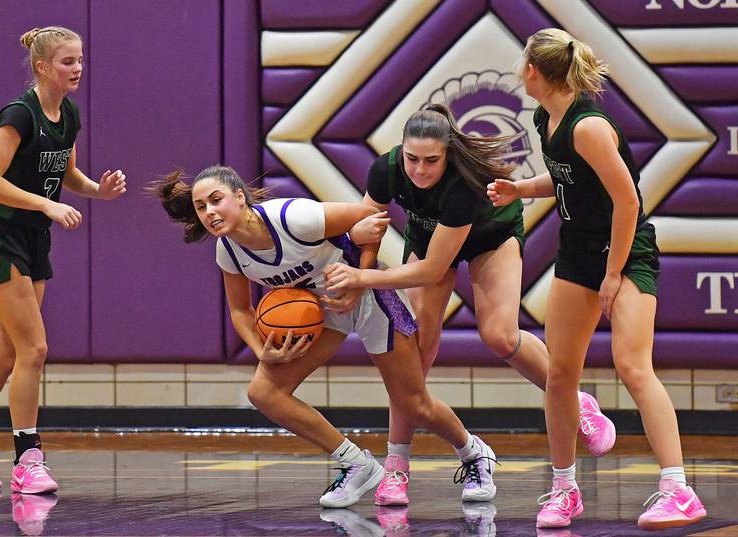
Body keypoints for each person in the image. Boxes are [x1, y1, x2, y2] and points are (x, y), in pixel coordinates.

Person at [153, 165, 498, 508]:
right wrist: (261, 350)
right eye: (201, 207)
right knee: (264, 391)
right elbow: (241, 311)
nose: (210, 212)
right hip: (320, 312)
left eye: (216, 200)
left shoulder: (293, 217)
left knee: (412, 403)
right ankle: (356, 463)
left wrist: (358, 278)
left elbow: (370, 219)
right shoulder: (227, 251)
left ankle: (473, 452)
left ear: (239, 197)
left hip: (366, 297)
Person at [323, 103, 615, 506]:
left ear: (448, 153)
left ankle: (576, 400)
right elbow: (366, 228)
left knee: (499, 336)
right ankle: (396, 468)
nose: (420, 170)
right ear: (401, 151)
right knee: (415, 356)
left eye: (431, 161)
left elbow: (432, 270)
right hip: (430, 240)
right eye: (412, 159)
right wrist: (359, 268)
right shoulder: (385, 169)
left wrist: (363, 279)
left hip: (489, 235)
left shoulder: (466, 183)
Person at [487, 28, 706, 530]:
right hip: (579, 254)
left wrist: (612, 275)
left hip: (625, 255)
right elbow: (567, 178)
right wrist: (522, 187)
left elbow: (627, 201)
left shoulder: (588, 126)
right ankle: (564, 489)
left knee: (632, 365)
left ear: (533, 71)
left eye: (523, 64)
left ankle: (679, 489)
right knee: (560, 374)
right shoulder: (548, 118)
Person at [0, 26, 127, 495]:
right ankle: (28, 458)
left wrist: (96, 191)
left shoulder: (68, 114)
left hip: (32, 239)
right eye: (67, 61)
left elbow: (65, 174)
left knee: (4, 354)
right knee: (34, 350)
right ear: (42, 66)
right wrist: (45, 205)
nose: (77, 68)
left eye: (80, 59)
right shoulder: (19, 115)